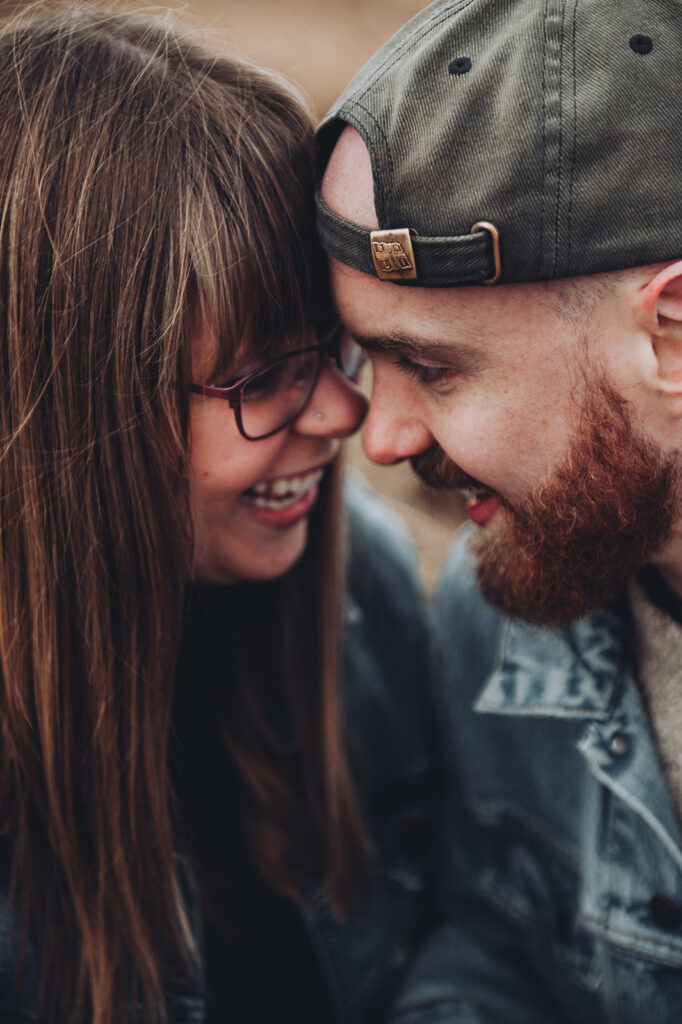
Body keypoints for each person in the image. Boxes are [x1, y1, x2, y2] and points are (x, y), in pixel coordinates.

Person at [0, 5, 437, 1023]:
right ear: (73, 410)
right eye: (263, 375)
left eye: (335, 350)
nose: (345, 413)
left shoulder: (358, 590)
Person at [315, 0, 682, 1020]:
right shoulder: (503, 608)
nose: (377, 436)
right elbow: (497, 929)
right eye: (368, 356)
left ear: (670, 335)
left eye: (430, 366)